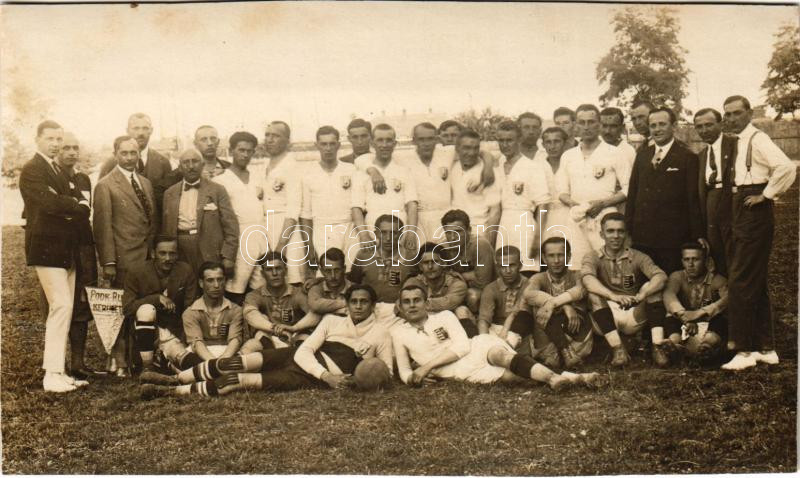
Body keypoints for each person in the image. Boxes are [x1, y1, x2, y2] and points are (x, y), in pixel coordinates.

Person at [140, 284, 392, 398]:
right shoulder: (331, 321)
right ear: (346, 304)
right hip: (297, 357)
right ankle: (175, 379)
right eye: (354, 301)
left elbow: (387, 372)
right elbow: (304, 350)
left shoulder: (381, 332)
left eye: (364, 302)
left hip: (305, 378)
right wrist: (326, 376)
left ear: (373, 305)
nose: (359, 306)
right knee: (230, 364)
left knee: (236, 381)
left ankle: (170, 392)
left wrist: (359, 379)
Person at [391, 285, 601, 390]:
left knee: (502, 356)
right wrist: (413, 378)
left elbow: (462, 346)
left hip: (475, 348)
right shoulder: (399, 333)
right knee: (512, 377)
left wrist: (426, 367)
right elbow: (404, 370)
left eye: (417, 300)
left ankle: (552, 378)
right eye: (407, 302)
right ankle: (577, 378)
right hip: (457, 370)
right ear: (400, 306)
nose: (412, 305)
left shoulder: (444, 316)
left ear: (427, 303)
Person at [720, 95, 796, 370]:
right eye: (727, 114)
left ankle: (743, 350)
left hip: (753, 205)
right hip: (741, 202)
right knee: (755, 279)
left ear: (749, 113)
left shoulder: (758, 139)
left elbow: (786, 167)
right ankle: (766, 347)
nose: (731, 118)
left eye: (737, 113)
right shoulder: (738, 141)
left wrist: (766, 195)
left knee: (740, 279)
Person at [20, 121, 91, 392]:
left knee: (65, 307)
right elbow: (50, 203)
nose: (55, 144)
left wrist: (70, 204)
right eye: (50, 138)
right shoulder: (32, 169)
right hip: (46, 248)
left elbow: (77, 201)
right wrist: (72, 204)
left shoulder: (56, 169)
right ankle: (51, 375)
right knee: (60, 307)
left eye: (58, 139)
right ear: (37, 139)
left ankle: (59, 372)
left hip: (65, 248)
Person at [94, 135, 158, 376]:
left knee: (141, 307)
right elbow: (102, 227)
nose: (130, 158)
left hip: (145, 256)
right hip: (122, 258)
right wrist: (109, 262)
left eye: (134, 153)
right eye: (124, 153)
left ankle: (138, 358)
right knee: (121, 308)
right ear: (115, 154)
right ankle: (118, 361)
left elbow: (150, 220)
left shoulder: (145, 183)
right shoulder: (106, 185)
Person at [581, 213, 669, 367]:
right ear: (602, 234)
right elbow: (588, 280)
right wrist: (613, 296)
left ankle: (658, 346)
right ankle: (618, 349)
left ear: (626, 234)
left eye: (620, 231)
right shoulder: (593, 256)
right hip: (607, 313)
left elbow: (661, 276)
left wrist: (641, 295)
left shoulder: (638, 256)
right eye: (610, 231)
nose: (616, 236)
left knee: (653, 288)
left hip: (633, 311)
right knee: (593, 294)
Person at [625, 107, 704, 275]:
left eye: (662, 124)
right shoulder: (642, 155)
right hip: (642, 235)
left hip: (672, 237)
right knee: (639, 280)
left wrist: (696, 234)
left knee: (669, 280)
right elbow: (633, 194)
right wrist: (628, 229)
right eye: (653, 125)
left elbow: (692, 199)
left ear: (673, 126)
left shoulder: (687, 157)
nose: (657, 129)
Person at [556, 104, 630, 269]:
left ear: (599, 124)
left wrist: (602, 203)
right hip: (577, 218)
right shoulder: (568, 156)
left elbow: (628, 188)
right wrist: (576, 205)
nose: (586, 127)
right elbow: (561, 191)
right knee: (578, 266)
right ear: (576, 125)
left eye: (591, 122)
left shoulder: (615, 152)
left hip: (605, 217)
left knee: (610, 266)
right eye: (582, 122)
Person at [122, 235, 198, 372]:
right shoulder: (137, 271)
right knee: (146, 310)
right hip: (145, 331)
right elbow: (127, 309)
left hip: (173, 330)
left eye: (172, 253)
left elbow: (190, 307)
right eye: (162, 253)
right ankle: (147, 366)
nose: (167, 258)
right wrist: (156, 299)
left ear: (177, 255)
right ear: (153, 254)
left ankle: (164, 362)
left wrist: (184, 338)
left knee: (189, 364)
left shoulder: (185, 270)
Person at [57, 133, 98, 378]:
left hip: (83, 245)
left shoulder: (83, 178)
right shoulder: (50, 177)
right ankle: (57, 362)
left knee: (83, 300)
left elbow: (85, 210)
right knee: (59, 303)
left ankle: (78, 362)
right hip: (59, 247)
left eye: (75, 147)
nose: (72, 152)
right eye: (66, 148)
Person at [162, 148, 239, 278]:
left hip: (208, 247)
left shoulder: (217, 190)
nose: (191, 166)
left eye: (195, 161)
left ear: (203, 165)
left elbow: (231, 226)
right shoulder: (169, 193)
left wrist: (228, 256)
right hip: (180, 248)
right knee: (184, 283)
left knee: (210, 283)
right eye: (186, 162)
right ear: (180, 168)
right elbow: (166, 228)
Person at [211, 131, 266, 304]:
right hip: (239, 238)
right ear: (231, 150)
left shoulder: (258, 176)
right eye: (241, 150)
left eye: (249, 151)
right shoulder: (220, 180)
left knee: (261, 287)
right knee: (236, 288)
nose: (245, 155)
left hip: (261, 236)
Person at [523, 238, 593, 368]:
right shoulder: (538, 278)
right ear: (544, 258)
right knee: (540, 308)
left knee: (547, 307)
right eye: (551, 256)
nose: (556, 261)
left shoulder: (577, 275)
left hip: (575, 336)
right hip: (548, 343)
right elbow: (528, 294)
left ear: (569, 257)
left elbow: (580, 290)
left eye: (560, 255)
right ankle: (563, 351)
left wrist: (552, 304)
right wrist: (565, 306)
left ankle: (564, 352)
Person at [299, 126, 361, 268]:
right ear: (317, 145)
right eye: (324, 144)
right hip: (322, 231)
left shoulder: (351, 169)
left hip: (349, 228)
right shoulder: (308, 174)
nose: (328, 148)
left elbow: (358, 204)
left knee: (351, 272)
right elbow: (306, 214)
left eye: (332, 144)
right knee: (327, 273)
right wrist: (309, 246)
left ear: (338, 145)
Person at [494, 120, 551, 272]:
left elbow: (543, 204)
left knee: (526, 270)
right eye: (501, 140)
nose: (505, 144)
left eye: (509, 140)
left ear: (519, 140)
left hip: (524, 224)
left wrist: (538, 237)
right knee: (505, 271)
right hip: (503, 224)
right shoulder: (498, 166)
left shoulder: (532, 167)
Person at [98, 113, 178, 218]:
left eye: (145, 128)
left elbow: (169, 200)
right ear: (127, 130)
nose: (140, 133)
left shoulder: (163, 162)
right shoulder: (111, 163)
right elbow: (103, 204)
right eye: (136, 128)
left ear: (151, 130)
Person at [351, 123, 419, 238]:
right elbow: (356, 208)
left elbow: (412, 204)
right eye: (380, 140)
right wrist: (364, 235)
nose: (384, 145)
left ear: (395, 143)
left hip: (400, 227)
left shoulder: (404, 171)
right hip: (372, 227)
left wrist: (411, 234)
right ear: (372, 143)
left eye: (388, 140)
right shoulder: (360, 174)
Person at [662, 243, 728, 360]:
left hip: (708, 325)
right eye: (686, 259)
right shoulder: (677, 276)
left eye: (695, 259)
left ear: (706, 261)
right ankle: (674, 344)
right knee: (671, 313)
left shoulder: (717, 279)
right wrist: (683, 316)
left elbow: (729, 299)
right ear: (682, 261)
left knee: (722, 317)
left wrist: (701, 312)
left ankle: (707, 347)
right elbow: (669, 294)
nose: (690, 264)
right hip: (685, 324)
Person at [350, 214, 418, 328]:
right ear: (376, 233)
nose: (388, 238)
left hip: (398, 315)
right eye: (383, 232)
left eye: (393, 233)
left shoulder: (410, 258)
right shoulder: (364, 255)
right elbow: (353, 282)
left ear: (401, 235)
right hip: (369, 313)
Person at [260, 120, 306, 284]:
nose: (270, 139)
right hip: (266, 227)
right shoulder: (264, 165)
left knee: (292, 278)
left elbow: (293, 209)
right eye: (267, 135)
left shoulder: (292, 166)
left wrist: (281, 245)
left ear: (287, 140)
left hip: (288, 231)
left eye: (276, 136)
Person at [693, 108, 737, 276]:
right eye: (699, 127)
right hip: (710, 204)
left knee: (736, 252)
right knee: (717, 251)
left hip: (732, 202)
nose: (704, 130)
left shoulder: (735, 145)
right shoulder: (701, 155)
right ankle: (724, 287)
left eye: (709, 125)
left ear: (721, 124)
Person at [239, 252, 309, 354]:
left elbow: (314, 314)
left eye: (278, 268)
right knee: (250, 346)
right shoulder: (255, 295)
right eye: (269, 269)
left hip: (294, 339)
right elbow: (250, 314)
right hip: (268, 339)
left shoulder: (298, 293)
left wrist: (294, 328)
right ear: (262, 274)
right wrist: (275, 329)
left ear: (285, 270)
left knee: (306, 338)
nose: (274, 273)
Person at [404, 243, 474, 334]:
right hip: (425, 323)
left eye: (434, 262)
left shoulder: (456, 283)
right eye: (426, 263)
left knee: (461, 310)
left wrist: (418, 304)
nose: (430, 267)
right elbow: (399, 305)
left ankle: (470, 340)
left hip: (453, 325)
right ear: (420, 267)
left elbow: (448, 303)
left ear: (444, 263)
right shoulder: (414, 282)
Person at [477, 246, 536, 350]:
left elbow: (521, 314)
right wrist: (484, 340)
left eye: (512, 265)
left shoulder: (529, 285)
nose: (508, 271)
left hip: (521, 331)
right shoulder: (491, 288)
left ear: (520, 265)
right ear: (497, 268)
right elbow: (484, 319)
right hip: (496, 330)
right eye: (503, 266)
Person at [182, 261, 245, 361]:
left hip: (228, 353)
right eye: (210, 280)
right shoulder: (190, 313)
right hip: (202, 355)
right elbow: (197, 343)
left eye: (220, 279)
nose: (216, 285)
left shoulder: (235, 310)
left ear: (225, 281)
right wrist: (213, 363)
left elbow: (235, 340)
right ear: (201, 283)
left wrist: (222, 361)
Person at [439, 209, 496, 314]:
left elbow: (483, 282)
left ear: (468, 230)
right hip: (459, 290)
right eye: (448, 233)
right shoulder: (443, 247)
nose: (453, 237)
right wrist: (469, 275)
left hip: (487, 292)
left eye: (458, 231)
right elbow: (441, 280)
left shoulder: (480, 245)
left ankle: (476, 320)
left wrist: (456, 276)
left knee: (472, 296)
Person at [450, 129, 501, 245]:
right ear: (457, 149)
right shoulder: (453, 166)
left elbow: (495, 211)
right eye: (467, 148)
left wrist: (489, 242)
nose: (472, 153)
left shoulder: (488, 173)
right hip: (454, 232)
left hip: (479, 231)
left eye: (475, 148)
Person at [539, 127, 574, 253]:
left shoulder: (572, 164)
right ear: (543, 144)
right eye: (548, 142)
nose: (552, 146)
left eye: (557, 141)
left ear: (565, 143)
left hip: (568, 215)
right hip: (545, 216)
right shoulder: (538, 166)